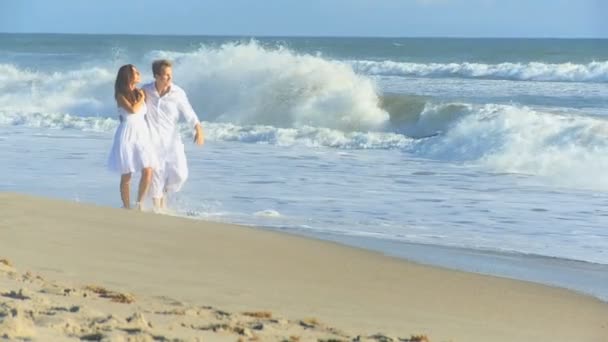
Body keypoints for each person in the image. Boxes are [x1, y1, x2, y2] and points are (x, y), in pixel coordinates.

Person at [142, 59, 204, 211]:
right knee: (156, 177)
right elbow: (136, 110)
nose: (169, 78)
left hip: (172, 142)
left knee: (180, 174)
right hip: (152, 142)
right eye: (165, 75)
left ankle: (164, 192)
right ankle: (158, 212)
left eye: (171, 75)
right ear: (156, 76)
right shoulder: (146, 91)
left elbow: (188, 112)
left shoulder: (178, 92)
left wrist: (198, 129)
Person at [107, 64, 158, 210]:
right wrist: (141, 99)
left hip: (142, 133)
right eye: (135, 72)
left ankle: (139, 203)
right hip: (127, 134)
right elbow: (133, 110)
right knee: (127, 174)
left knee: (148, 170)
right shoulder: (120, 94)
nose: (139, 73)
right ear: (128, 76)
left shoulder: (139, 92)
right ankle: (126, 206)